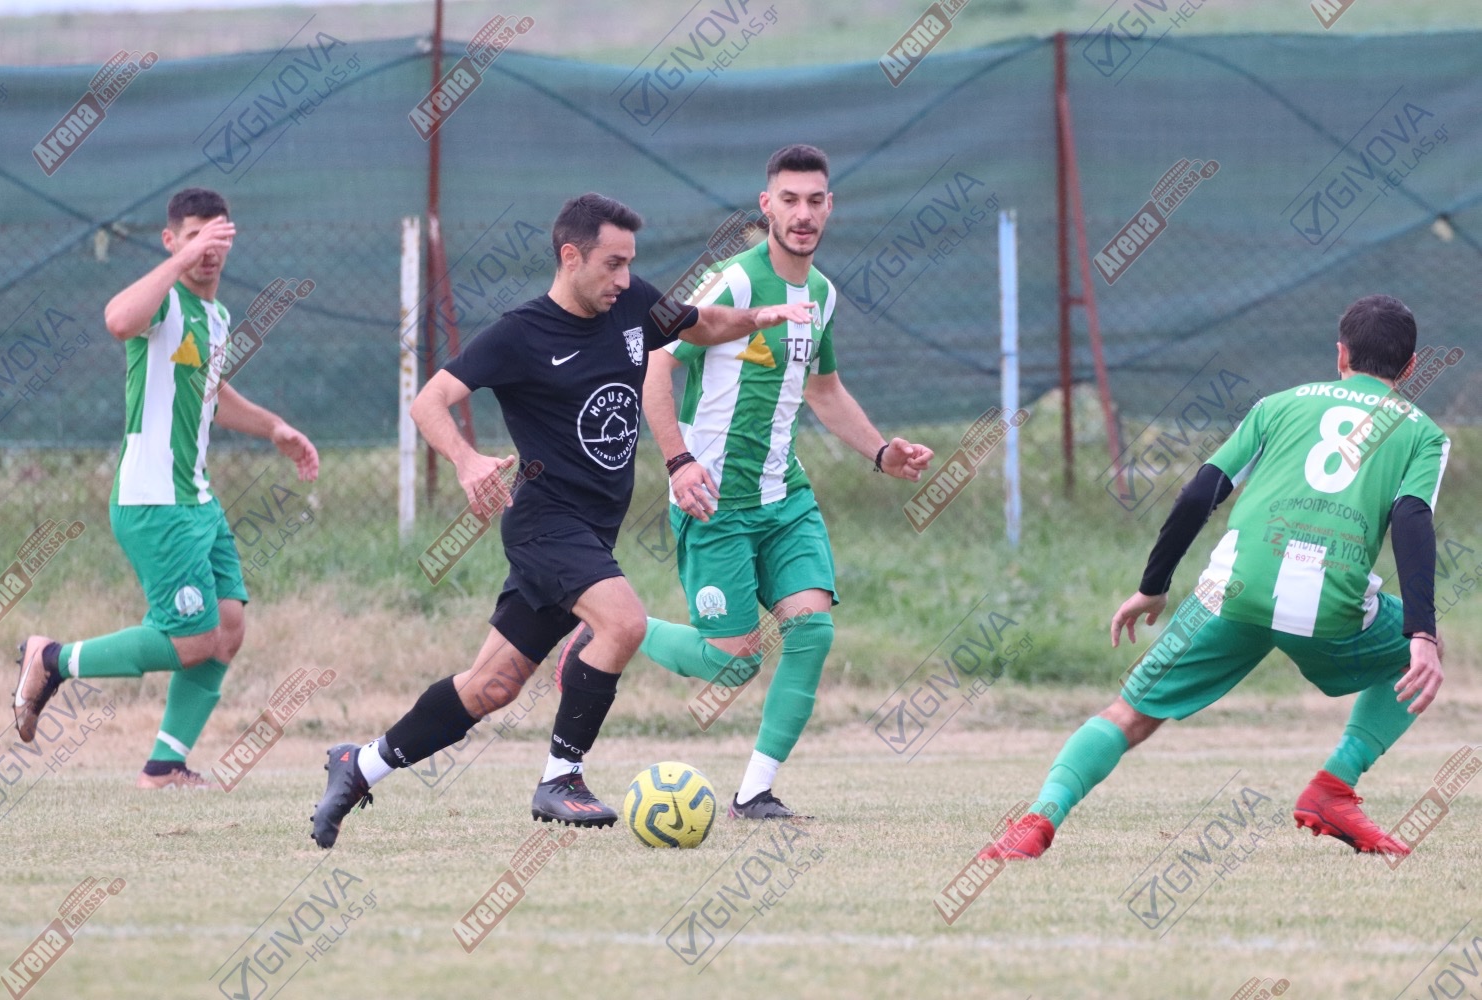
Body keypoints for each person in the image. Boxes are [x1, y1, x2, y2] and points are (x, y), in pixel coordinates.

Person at [309, 192, 816, 847]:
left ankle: (361, 764)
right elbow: (430, 400)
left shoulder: (633, 306)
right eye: (612, 264)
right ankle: (560, 777)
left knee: (490, 687)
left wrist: (756, 317)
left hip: (590, 533)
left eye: (630, 263)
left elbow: (700, 324)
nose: (624, 279)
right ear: (570, 256)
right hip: (545, 525)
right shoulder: (520, 335)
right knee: (624, 622)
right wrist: (466, 460)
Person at [979, 294, 1448, 860]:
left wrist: (1153, 585)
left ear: (1340, 354)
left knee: (1128, 715)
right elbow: (1411, 519)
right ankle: (1334, 786)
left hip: (1230, 591)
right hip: (1331, 608)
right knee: (1414, 655)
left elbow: (1203, 489)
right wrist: (1421, 633)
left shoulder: (1277, 406)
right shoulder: (1423, 433)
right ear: (1410, 366)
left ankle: (1039, 818)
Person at [597, 144, 932, 819]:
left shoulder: (823, 295)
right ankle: (607, 631)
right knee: (733, 661)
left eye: (815, 201)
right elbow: (655, 366)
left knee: (812, 632)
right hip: (714, 501)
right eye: (790, 200)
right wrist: (678, 462)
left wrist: (880, 452)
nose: (803, 214)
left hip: (785, 500)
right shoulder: (732, 283)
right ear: (766, 206)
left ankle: (754, 792)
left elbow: (824, 389)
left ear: (829, 208)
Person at [13, 187, 320, 789]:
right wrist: (181, 262)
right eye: (195, 237)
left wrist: (273, 428)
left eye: (218, 237)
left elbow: (211, 392)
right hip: (154, 500)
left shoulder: (217, 317)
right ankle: (52, 659)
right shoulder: (164, 302)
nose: (208, 249)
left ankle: (164, 766)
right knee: (192, 641)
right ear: (171, 240)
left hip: (197, 500)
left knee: (227, 629)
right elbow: (117, 319)